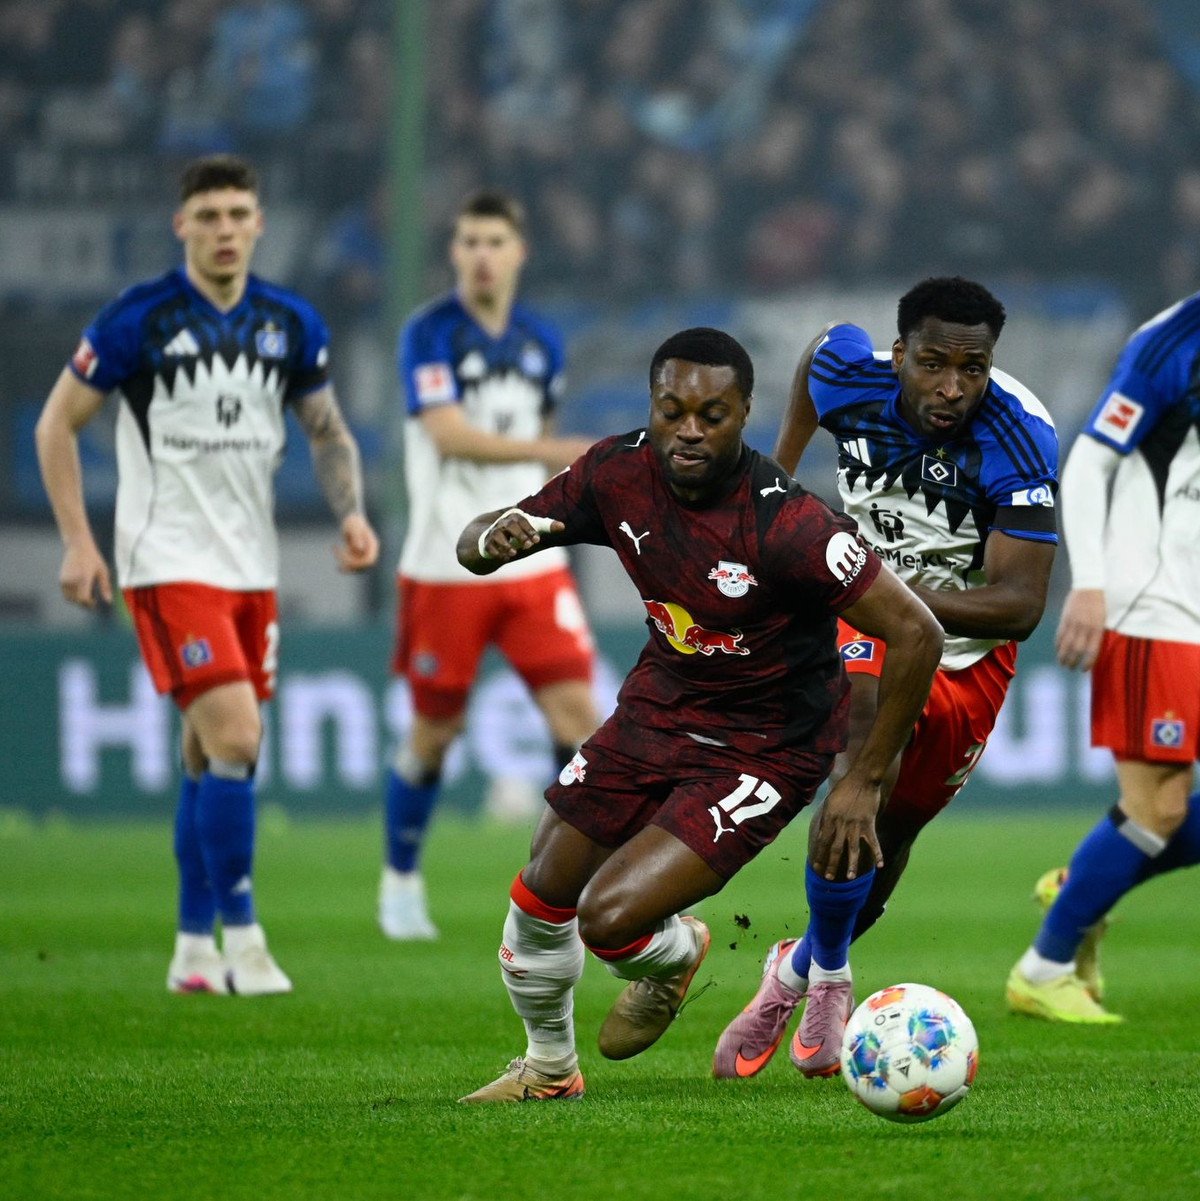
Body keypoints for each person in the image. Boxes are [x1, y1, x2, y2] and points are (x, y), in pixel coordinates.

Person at [454, 326, 942, 1102]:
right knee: (538, 898)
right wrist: (488, 542)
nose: (688, 429)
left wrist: (863, 781)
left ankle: (675, 956)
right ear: (651, 404)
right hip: (656, 710)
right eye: (672, 409)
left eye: (711, 414)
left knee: (606, 920)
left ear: (745, 413)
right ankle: (548, 1070)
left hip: (766, 747)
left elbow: (916, 631)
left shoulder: (789, 524)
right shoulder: (615, 472)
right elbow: (485, 537)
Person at [34, 154, 379, 996]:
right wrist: (80, 542)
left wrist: (352, 510)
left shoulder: (289, 321)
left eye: (237, 214)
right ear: (180, 225)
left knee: (204, 755)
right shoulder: (137, 319)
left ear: (258, 224)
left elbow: (326, 430)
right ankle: (246, 939)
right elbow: (56, 425)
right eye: (209, 215)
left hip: (249, 565)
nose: (224, 229)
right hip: (166, 559)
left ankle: (192, 946)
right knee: (237, 739)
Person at [713, 277, 1059, 1079]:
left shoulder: (1021, 436)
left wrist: (889, 592)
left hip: (965, 650)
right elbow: (812, 359)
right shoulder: (849, 373)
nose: (952, 387)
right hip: (856, 617)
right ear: (898, 354)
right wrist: (781, 476)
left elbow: (1018, 604)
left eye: (972, 369)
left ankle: (796, 965)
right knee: (862, 752)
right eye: (933, 363)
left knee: (889, 832)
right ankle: (831, 979)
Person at [380, 191, 597, 941]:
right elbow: (447, 435)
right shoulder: (429, 333)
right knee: (435, 732)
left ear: (518, 252)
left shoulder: (541, 340)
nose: (480, 253)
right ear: (454, 251)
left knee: (581, 722)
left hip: (528, 560)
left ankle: (571, 881)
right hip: (445, 563)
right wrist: (556, 450)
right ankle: (401, 879)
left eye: (494, 240)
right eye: (468, 239)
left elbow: (534, 446)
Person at [1006, 291, 1200, 1023]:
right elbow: (1089, 463)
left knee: (1157, 812)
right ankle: (1044, 966)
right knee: (1158, 810)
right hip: (1150, 604)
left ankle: (1087, 880)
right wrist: (1089, 586)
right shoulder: (1170, 346)